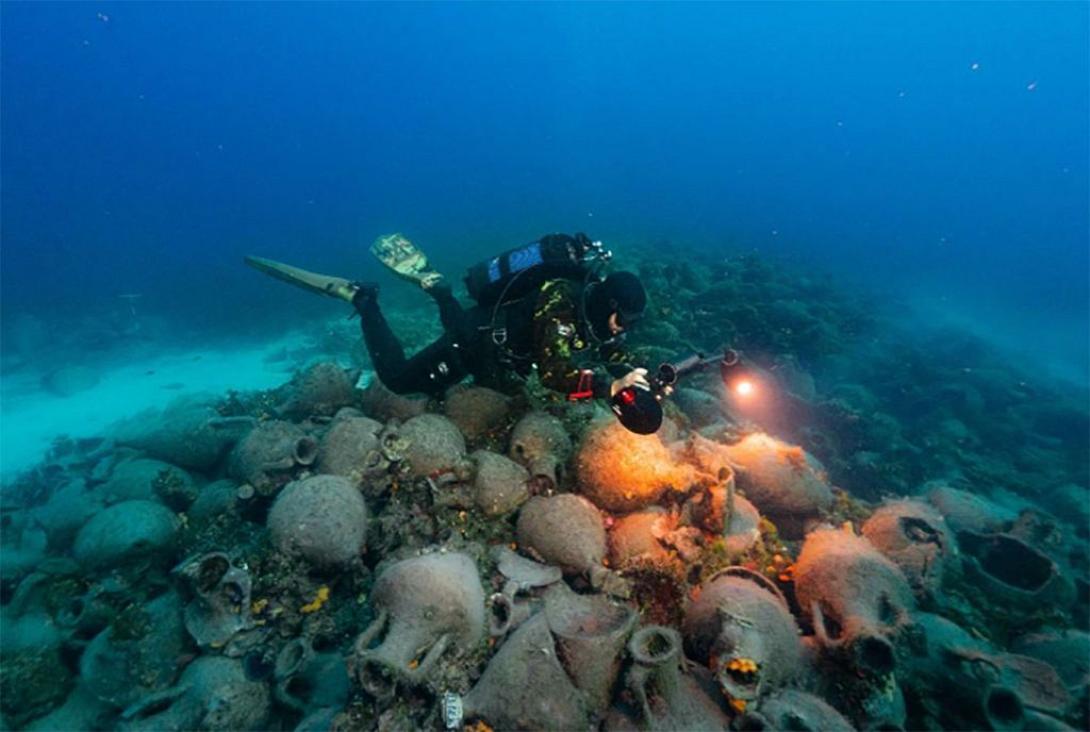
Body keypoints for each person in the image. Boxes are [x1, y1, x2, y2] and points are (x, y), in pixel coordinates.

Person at [353, 232, 651, 402]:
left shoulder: (595, 312)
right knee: (401, 381)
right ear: (607, 305)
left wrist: (641, 374)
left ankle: (442, 292)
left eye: (632, 323)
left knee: (483, 375)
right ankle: (365, 300)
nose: (624, 328)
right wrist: (609, 387)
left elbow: (611, 348)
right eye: (623, 320)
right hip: (473, 343)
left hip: (496, 344)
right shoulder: (560, 303)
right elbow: (553, 372)